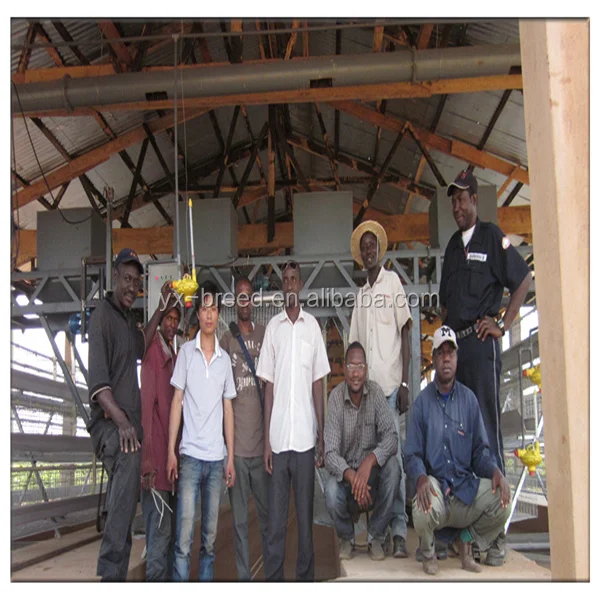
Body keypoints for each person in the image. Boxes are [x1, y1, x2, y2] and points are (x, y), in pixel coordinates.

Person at [440, 169, 532, 565]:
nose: (458, 206)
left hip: (481, 346)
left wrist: (504, 324)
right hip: (456, 348)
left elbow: (523, 278)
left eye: (463, 199)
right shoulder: (449, 248)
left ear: (475, 200)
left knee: (488, 437)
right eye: (453, 201)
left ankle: (497, 537)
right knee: (457, 439)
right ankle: (467, 533)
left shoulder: (494, 236)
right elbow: (445, 305)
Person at [87, 248, 176, 581]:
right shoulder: (102, 318)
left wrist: (160, 310)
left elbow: (142, 343)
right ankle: (110, 574)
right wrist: (124, 424)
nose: (131, 287)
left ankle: (116, 576)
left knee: (123, 507)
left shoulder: (126, 320)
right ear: (114, 276)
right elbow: (98, 385)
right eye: (127, 279)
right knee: (126, 489)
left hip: (128, 430)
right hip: (111, 427)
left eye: (137, 282)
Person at [405, 326, 511, 576]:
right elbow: (411, 454)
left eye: (450, 353)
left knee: (503, 502)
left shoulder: (469, 400)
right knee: (422, 503)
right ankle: (429, 551)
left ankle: (466, 541)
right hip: (438, 494)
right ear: (433, 359)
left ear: (456, 357)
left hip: (465, 490)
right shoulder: (422, 403)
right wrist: (420, 479)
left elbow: (480, 452)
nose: (446, 358)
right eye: (440, 353)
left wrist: (495, 470)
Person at [256, 260, 331, 581]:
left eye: (293, 279)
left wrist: (321, 433)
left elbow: (318, 383)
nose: (289, 285)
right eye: (284, 280)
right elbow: (268, 387)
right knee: (275, 525)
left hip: (304, 441)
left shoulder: (312, 328)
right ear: (282, 287)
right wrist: (266, 442)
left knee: (304, 523)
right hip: (278, 441)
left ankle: (305, 583)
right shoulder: (273, 329)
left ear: (300, 285)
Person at [348, 220, 412, 559]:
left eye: (373, 245)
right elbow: (354, 347)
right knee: (371, 464)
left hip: (388, 390)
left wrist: (404, 383)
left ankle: (399, 531)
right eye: (364, 247)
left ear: (379, 250)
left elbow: (406, 331)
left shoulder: (393, 284)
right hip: (367, 398)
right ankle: (380, 532)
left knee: (394, 464)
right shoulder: (360, 297)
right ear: (360, 255)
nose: (369, 250)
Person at [167, 281, 237, 582]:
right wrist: (171, 451)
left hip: (215, 458)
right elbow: (177, 401)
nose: (209, 315)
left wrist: (230, 457)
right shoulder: (185, 353)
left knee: (208, 540)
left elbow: (228, 410)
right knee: (183, 540)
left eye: (213, 309)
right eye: (204, 309)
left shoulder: (224, 361)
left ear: (218, 314)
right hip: (191, 458)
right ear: (198, 314)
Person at [324, 341, 400, 562]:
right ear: (344, 369)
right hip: (347, 481)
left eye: (360, 367)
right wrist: (353, 476)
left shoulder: (375, 393)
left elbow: (391, 438)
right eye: (350, 367)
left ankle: (375, 536)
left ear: (366, 369)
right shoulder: (335, 398)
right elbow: (330, 453)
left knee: (394, 468)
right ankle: (346, 538)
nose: (355, 373)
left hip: (372, 477)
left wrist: (369, 461)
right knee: (330, 489)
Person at [219, 276, 269, 581]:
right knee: (239, 524)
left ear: (254, 300)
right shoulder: (226, 340)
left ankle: (270, 578)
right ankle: (243, 581)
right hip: (236, 450)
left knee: (267, 519)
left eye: (249, 297)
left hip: (262, 448)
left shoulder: (266, 336)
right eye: (240, 297)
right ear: (234, 302)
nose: (245, 302)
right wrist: (226, 453)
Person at [140, 304, 181, 581]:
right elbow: (145, 410)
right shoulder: (153, 355)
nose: (171, 324)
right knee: (159, 535)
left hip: (169, 464)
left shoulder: (173, 356)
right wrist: (147, 462)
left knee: (168, 535)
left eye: (175, 320)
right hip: (155, 463)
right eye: (167, 318)